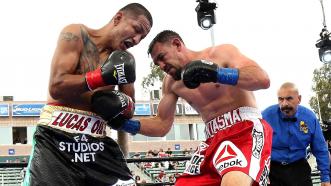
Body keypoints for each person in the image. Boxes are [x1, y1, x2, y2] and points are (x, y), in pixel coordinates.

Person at [110, 30, 273, 186]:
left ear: (177, 44)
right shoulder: (171, 83)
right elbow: (161, 124)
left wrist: (218, 73)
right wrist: (123, 124)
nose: (161, 65)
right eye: (156, 63)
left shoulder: (220, 53)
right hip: (211, 138)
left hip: (244, 129)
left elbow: (262, 79)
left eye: (162, 57)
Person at [23, 3, 152, 186]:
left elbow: (129, 109)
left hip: (96, 143)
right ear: (118, 18)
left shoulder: (123, 60)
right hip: (57, 140)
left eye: (142, 37)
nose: (137, 39)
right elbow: (56, 86)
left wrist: (121, 103)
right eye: (137, 30)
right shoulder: (77, 34)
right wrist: (100, 77)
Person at [262, 82, 331, 186]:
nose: (284, 104)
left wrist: (325, 178)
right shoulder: (266, 116)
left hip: (299, 169)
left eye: (289, 98)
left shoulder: (310, 118)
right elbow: (255, 147)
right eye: (280, 99)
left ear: (299, 99)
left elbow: (320, 149)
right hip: (273, 171)